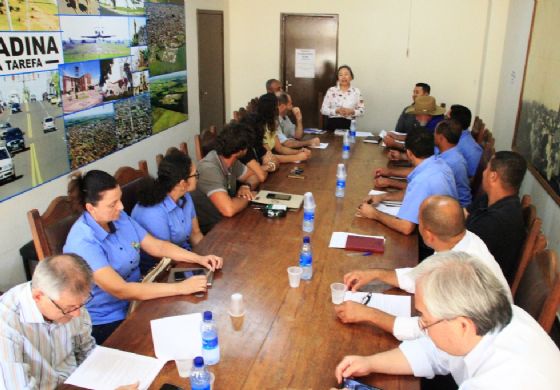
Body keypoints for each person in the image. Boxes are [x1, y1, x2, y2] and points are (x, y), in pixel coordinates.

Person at [334, 252, 560, 389]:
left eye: (424, 318)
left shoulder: (501, 382)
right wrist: (370, 363)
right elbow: (434, 352)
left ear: (462, 325)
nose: (422, 325)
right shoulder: (494, 317)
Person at [64, 170, 223, 344]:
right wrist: (180, 288)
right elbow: (121, 290)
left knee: (191, 319)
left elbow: (156, 245)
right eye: (113, 204)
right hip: (109, 320)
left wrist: (198, 258)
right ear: (90, 208)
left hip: (139, 299)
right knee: (174, 338)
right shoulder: (82, 242)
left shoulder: (119, 217)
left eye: (120, 199)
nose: (121, 207)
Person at [336, 195, 510, 341]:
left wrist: (368, 314)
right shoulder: (462, 239)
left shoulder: (460, 270)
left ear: (427, 234)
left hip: (466, 352)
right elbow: (421, 277)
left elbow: (421, 330)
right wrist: (375, 274)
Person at [0, 254, 96, 388]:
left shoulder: (69, 299)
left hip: (74, 381)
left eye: (81, 304)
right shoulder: (6, 325)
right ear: (38, 296)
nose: (77, 314)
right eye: (69, 308)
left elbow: (86, 348)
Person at [357, 127, 457, 235]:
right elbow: (412, 193)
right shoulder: (440, 163)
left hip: (437, 238)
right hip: (451, 228)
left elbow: (406, 227)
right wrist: (382, 196)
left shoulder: (422, 180)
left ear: (409, 153)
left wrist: (374, 214)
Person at [131, 150, 204, 275]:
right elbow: (165, 256)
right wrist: (198, 261)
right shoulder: (153, 212)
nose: (197, 177)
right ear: (182, 183)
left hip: (185, 257)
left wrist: (206, 257)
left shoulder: (185, 196)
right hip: (161, 270)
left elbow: (195, 233)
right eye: (195, 175)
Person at [466, 151, 527, 283]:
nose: (483, 172)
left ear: (493, 176)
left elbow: (464, 260)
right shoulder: (490, 199)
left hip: (478, 285)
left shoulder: (496, 222)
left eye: (487, 168)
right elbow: (465, 213)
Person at [191, 123, 260, 233]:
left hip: (227, 222)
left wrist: (246, 186)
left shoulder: (231, 161)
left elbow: (254, 176)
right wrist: (249, 197)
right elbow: (229, 210)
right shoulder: (208, 169)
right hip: (211, 230)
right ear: (240, 150)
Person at [258, 93, 311, 163]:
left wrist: (299, 151)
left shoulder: (270, 125)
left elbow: (280, 148)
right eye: (277, 107)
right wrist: (297, 157)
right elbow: (269, 156)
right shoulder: (260, 127)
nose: (279, 109)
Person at [434, 119, 471, 206]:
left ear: (440, 138)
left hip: (456, 208)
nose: (433, 135)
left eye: (435, 133)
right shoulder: (448, 154)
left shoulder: (453, 162)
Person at [320, 65, 365, 130]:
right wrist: (336, 111)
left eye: (346, 74)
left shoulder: (356, 92)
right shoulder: (331, 90)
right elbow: (323, 110)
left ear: (351, 77)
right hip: (332, 124)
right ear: (338, 78)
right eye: (340, 75)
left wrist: (352, 111)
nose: (343, 77)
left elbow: (362, 111)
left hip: (349, 125)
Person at [238, 113, 279, 183]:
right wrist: (265, 167)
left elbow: (276, 161)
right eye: (263, 127)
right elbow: (262, 176)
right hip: (242, 189)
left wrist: (269, 166)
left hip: (257, 185)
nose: (264, 130)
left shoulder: (257, 144)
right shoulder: (243, 149)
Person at [448, 104, 482, 178]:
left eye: (447, 119)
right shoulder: (455, 137)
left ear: (455, 124)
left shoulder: (473, 150)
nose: (444, 122)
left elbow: (470, 178)